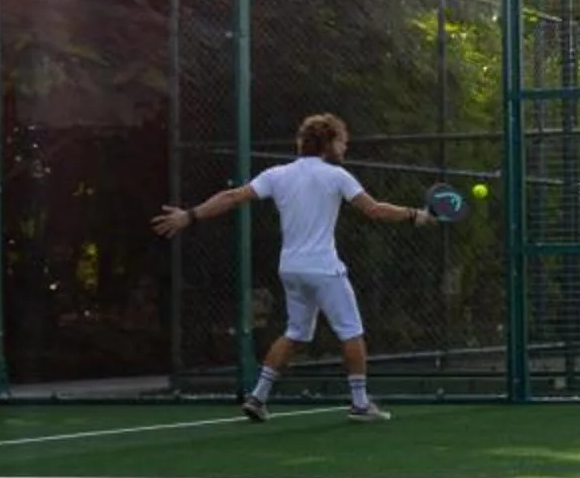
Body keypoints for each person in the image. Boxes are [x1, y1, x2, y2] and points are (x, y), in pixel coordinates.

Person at [152, 112, 434, 424]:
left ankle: (258, 397)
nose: (345, 148)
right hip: (324, 269)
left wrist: (189, 215)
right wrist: (414, 215)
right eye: (342, 142)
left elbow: (233, 197)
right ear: (328, 143)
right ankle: (360, 403)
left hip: (291, 269)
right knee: (352, 331)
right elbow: (375, 210)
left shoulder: (278, 175)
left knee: (296, 332)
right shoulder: (337, 176)